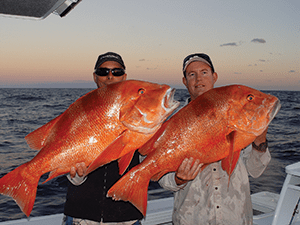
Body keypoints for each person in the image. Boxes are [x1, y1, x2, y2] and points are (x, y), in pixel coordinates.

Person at [158, 53, 271, 225]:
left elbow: (255, 171)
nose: (198, 79)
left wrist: (259, 141)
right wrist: (177, 179)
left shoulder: (238, 117)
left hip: (236, 218)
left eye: (204, 72)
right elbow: (160, 177)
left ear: (214, 76)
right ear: (184, 81)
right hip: (191, 218)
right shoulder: (173, 125)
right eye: (191, 74)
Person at [62, 52, 143, 225]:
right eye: (103, 71)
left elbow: (149, 161)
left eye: (117, 72)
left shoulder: (143, 112)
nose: (110, 76)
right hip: (81, 217)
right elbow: (68, 163)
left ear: (125, 77)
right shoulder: (78, 113)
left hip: (127, 218)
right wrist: (76, 174)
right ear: (95, 77)